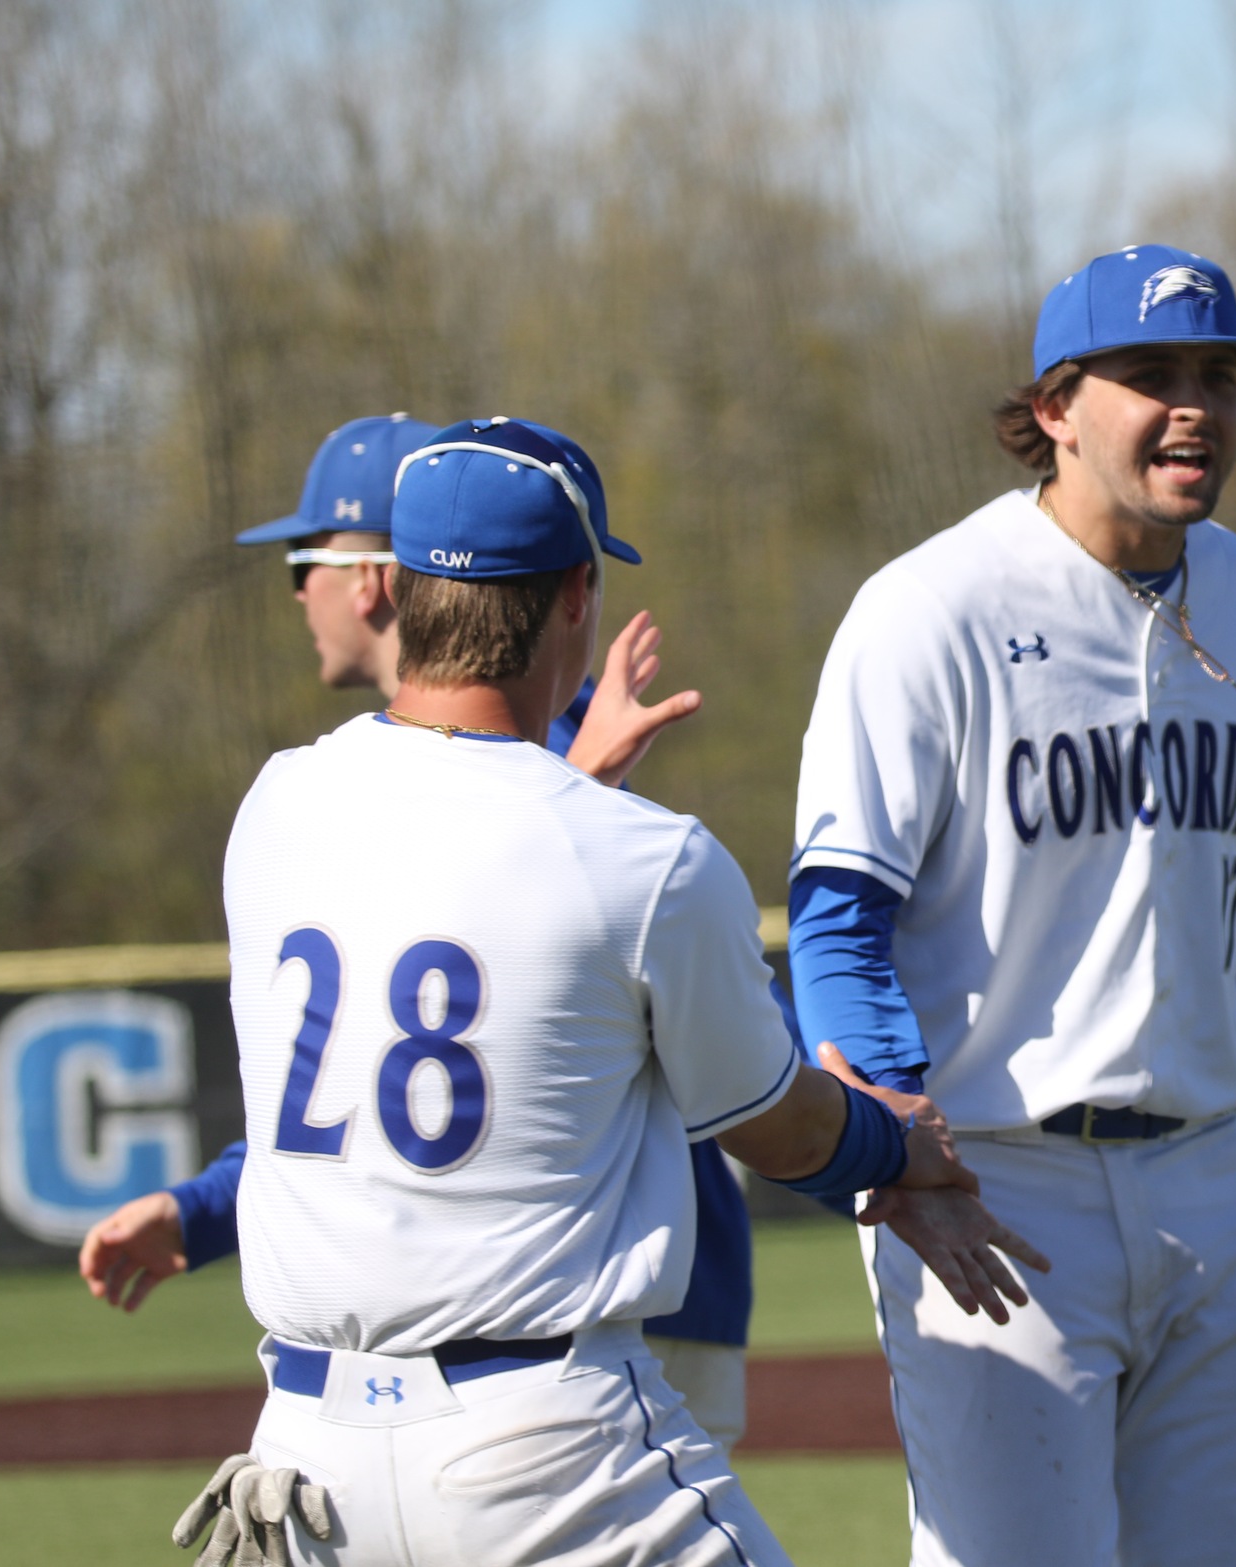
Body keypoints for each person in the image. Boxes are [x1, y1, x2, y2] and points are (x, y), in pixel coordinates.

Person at [180, 415, 1038, 1566]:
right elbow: (773, 1124)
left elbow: (460, 873)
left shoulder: (275, 807)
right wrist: (898, 1145)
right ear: (576, 594)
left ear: (401, 585)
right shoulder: (640, 855)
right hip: (538, 1448)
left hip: (305, 1458)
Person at [78, 410, 762, 1451]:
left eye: (299, 563)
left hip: (591, 1306)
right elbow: (370, 1075)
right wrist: (210, 1205)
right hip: (499, 1324)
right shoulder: (336, 788)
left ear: (376, 579)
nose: (293, 593)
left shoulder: (527, 758)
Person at [789, 245, 1236, 1567]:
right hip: (998, 1184)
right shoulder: (930, 608)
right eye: (1150, 374)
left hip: (1212, 1172)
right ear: (1053, 406)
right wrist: (909, 1155)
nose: (1194, 405)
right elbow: (835, 920)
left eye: (1221, 374)